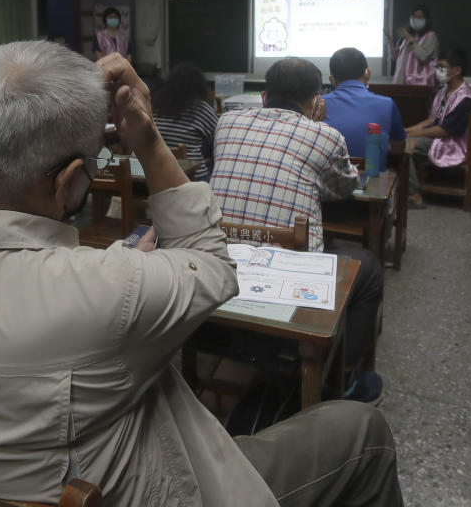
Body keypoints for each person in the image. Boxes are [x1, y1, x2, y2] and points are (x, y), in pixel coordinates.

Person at [0, 42, 402, 506]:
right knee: (361, 432)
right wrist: (146, 134)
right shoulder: (108, 288)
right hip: (146, 488)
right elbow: (213, 266)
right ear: (69, 184)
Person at [211, 57, 386, 402]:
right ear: (317, 100)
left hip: (216, 267)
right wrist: (315, 128)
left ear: (263, 96)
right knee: (369, 267)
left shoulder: (226, 122)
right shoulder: (325, 135)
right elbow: (345, 187)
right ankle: (347, 378)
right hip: (284, 286)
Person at [405, 48, 471, 208]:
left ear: (457, 70)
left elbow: (444, 130)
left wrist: (411, 135)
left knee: (405, 146)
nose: (437, 71)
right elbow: (431, 120)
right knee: (403, 139)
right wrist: (407, 130)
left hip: (453, 145)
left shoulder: (466, 98)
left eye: (442, 67)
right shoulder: (443, 91)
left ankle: (414, 195)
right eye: (437, 67)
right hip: (440, 139)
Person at [323, 47, 406, 171]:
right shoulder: (387, 104)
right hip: (372, 183)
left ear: (332, 80)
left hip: (328, 183)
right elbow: (399, 147)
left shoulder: (318, 104)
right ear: (368, 73)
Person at [152, 62, 219, 181]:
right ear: (199, 87)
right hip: (193, 179)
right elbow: (218, 142)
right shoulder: (201, 109)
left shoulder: (157, 108)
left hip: (160, 176)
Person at [388, 5, 439, 86]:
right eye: (414, 17)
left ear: (426, 20)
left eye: (419, 17)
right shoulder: (406, 37)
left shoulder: (430, 36)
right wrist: (389, 40)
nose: (416, 19)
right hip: (400, 83)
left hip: (419, 84)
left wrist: (410, 39)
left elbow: (424, 57)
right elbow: (396, 58)